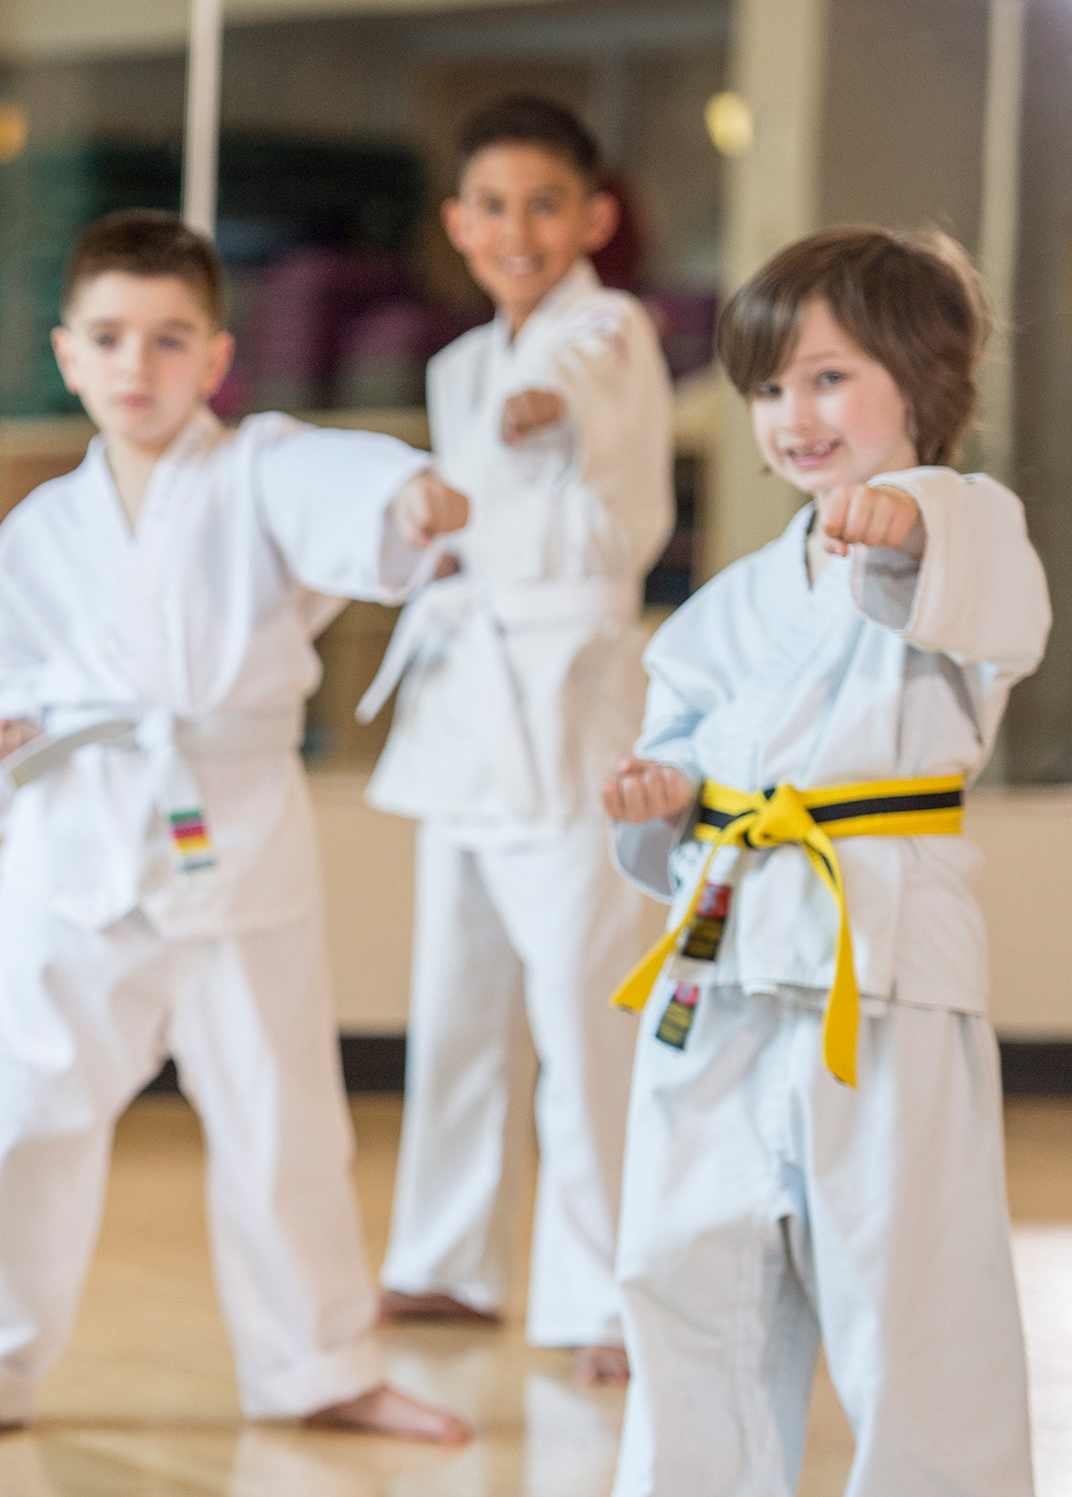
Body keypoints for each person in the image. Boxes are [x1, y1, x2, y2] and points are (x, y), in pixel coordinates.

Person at [0, 210, 473, 1449]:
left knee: (283, 1113)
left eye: (168, 340)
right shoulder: (42, 528)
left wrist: (408, 497)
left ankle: (319, 1365)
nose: (137, 367)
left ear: (216, 357)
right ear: (66, 354)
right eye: (109, 338)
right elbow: (2, 673)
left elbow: (340, 483)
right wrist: (9, 732)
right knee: (16, 1110)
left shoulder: (258, 468)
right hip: (74, 843)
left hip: (234, 832)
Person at [571, 228, 1044, 1497]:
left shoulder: (965, 525)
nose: (795, 418)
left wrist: (907, 534)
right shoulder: (720, 612)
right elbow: (671, 768)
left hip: (880, 954)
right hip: (723, 951)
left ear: (925, 382)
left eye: (830, 378)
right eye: (771, 388)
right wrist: (653, 805)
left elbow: (993, 610)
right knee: (682, 1264)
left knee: (911, 1278)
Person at [361, 95, 672, 1385]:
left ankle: (606, 1288)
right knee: (458, 1001)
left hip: (569, 697)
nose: (516, 230)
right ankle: (444, 1258)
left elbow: (569, 392)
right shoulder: (455, 363)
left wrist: (540, 410)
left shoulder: (606, 329)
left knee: (582, 1004)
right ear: (456, 224)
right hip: (467, 701)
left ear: (593, 217)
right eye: (490, 207)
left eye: (544, 204)